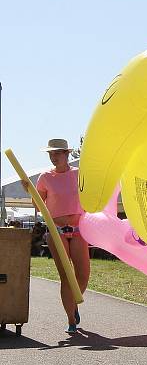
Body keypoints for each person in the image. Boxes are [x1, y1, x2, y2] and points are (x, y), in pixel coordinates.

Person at [32, 139, 90, 333]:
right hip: (56, 230)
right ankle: (71, 319)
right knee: (66, 274)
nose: (53, 157)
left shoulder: (78, 174)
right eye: (50, 154)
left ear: (66, 154)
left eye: (57, 153)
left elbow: (91, 196)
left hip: (79, 228)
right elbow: (38, 204)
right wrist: (31, 193)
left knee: (83, 274)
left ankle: (73, 304)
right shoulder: (45, 177)